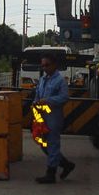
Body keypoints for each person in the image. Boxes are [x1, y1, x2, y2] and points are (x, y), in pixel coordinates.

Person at [33, 54, 74, 183]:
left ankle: (51, 174)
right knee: (44, 144)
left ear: (54, 65)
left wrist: (48, 100)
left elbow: (64, 97)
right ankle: (66, 164)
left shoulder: (60, 81)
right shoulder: (43, 79)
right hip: (42, 117)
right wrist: (36, 103)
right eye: (43, 65)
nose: (44, 68)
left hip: (53, 117)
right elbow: (38, 95)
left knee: (52, 144)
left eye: (47, 65)